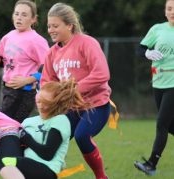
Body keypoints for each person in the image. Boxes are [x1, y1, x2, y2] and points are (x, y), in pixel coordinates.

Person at [41, 3, 111, 179]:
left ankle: (102, 177)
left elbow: (102, 73)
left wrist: (72, 90)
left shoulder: (87, 43)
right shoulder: (51, 53)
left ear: (69, 25)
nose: (51, 30)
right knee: (52, 142)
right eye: (49, 26)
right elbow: (47, 82)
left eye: (55, 26)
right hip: (69, 109)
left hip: (95, 106)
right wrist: (47, 97)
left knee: (82, 136)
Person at [0, 79, 90, 179]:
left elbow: (47, 154)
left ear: (55, 103)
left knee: (3, 162)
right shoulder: (28, 122)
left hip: (47, 169)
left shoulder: (60, 120)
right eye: (39, 101)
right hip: (27, 167)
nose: (40, 105)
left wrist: (27, 138)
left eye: (45, 103)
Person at [0, 0, 49, 123]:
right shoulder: (8, 36)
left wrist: (28, 80)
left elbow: (49, 67)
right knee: (7, 129)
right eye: (16, 14)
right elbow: (4, 63)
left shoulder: (37, 40)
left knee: (5, 126)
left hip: (24, 92)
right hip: (7, 90)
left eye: (24, 15)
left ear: (33, 19)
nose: (19, 18)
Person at [134, 0, 174, 176]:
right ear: (165, 11)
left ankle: (151, 164)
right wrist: (147, 53)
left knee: (161, 124)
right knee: (170, 125)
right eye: (170, 8)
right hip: (158, 82)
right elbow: (140, 49)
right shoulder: (157, 29)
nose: (173, 11)